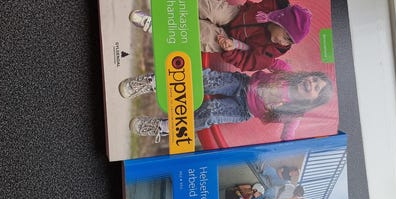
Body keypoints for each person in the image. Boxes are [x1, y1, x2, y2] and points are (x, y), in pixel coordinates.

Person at [129, 0, 313, 72]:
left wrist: (231, 51)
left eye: (289, 42)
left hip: (233, 43)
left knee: (205, 35)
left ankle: (158, 25)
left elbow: (247, 62)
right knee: (212, 8)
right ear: (280, 20)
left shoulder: (270, 53)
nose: (283, 42)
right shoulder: (275, 4)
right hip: (235, 14)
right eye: (286, 36)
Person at [118, 68, 333, 142]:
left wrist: (295, 147)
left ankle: (163, 127)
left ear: (312, 100)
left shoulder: (293, 115)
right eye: (314, 79)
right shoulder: (287, 73)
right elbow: (268, 60)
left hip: (243, 110)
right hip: (242, 84)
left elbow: (288, 137)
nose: (311, 83)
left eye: (316, 87)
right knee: (206, 80)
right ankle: (152, 82)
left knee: (211, 114)